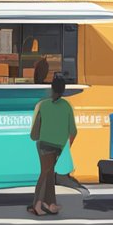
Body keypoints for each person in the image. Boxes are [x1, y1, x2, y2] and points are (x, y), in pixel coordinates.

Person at [28, 74, 76, 217]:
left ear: (51, 88)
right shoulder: (67, 106)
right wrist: (67, 146)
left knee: (48, 171)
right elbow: (73, 131)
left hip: (43, 145)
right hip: (58, 147)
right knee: (47, 171)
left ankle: (50, 203)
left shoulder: (43, 105)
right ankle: (38, 204)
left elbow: (34, 133)